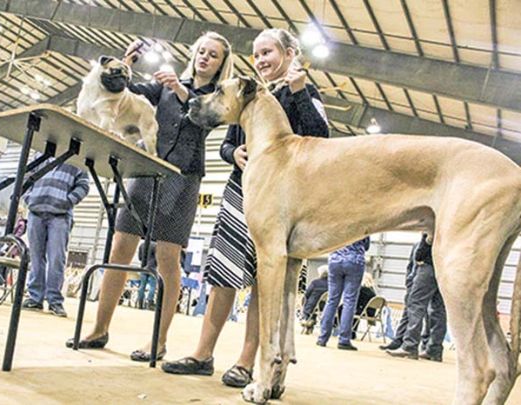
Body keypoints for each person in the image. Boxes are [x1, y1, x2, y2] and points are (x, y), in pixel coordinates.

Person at [161, 28, 329, 387]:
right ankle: (202, 353)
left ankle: (245, 362)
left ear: (288, 53)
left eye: (268, 52)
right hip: (242, 192)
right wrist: (232, 153)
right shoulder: (245, 94)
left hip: (283, 202)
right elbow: (227, 143)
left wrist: (299, 93)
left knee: (263, 282)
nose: (261, 59)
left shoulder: (304, 91)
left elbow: (321, 136)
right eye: (256, 54)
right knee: (222, 275)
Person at [66, 32, 234, 361]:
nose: (204, 57)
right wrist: (125, 64)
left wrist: (179, 89)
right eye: (201, 51)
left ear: (221, 64)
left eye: (213, 55)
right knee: (120, 248)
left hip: (183, 178)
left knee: (167, 258)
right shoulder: (165, 87)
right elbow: (123, 94)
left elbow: (204, 121)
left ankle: (158, 340)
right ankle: (99, 329)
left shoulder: (217, 96)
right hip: (145, 169)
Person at [22, 160, 89, 317]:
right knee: (36, 257)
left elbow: (84, 185)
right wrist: (29, 198)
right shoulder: (41, 155)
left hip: (61, 215)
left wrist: (68, 201)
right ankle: (35, 298)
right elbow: (26, 178)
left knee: (57, 258)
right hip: (35, 212)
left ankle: (55, 301)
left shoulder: (77, 160)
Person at [387, 233, 447, 361]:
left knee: (415, 304)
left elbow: (428, 239)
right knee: (439, 309)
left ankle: (410, 346)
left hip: (429, 265)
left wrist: (421, 251)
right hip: (446, 267)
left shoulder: (435, 219)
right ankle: (434, 350)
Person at [317, 237, 371, 350]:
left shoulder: (339, 219)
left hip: (335, 260)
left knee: (332, 299)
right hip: (354, 260)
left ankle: (322, 337)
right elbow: (366, 246)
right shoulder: (362, 220)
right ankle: (344, 340)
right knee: (349, 301)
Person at [136, 242, 157, 310]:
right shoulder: (155, 246)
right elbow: (158, 258)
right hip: (152, 268)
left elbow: (139, 258)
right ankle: (149, 302)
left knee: (142, 286)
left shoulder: (142, 245)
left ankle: (140, 302)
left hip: (143, 267)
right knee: (152, 286)